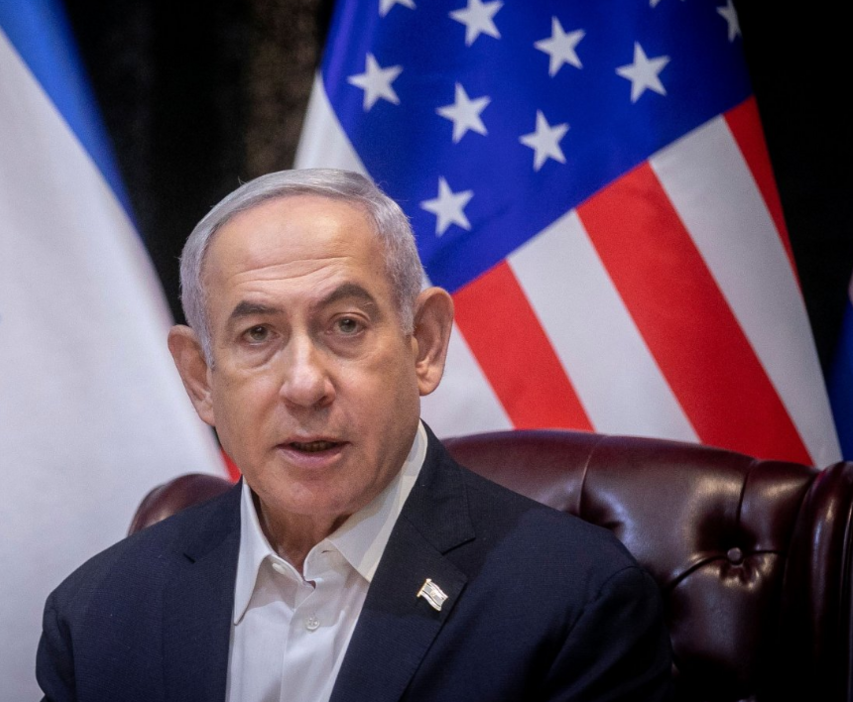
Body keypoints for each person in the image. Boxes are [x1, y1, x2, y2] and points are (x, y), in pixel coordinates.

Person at [36, 169, 672, 702]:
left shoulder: (575, 603)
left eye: (345, 324)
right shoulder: (97, 615)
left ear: (423, 343)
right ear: (201, 377)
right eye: (257, 335)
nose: (306, 385)